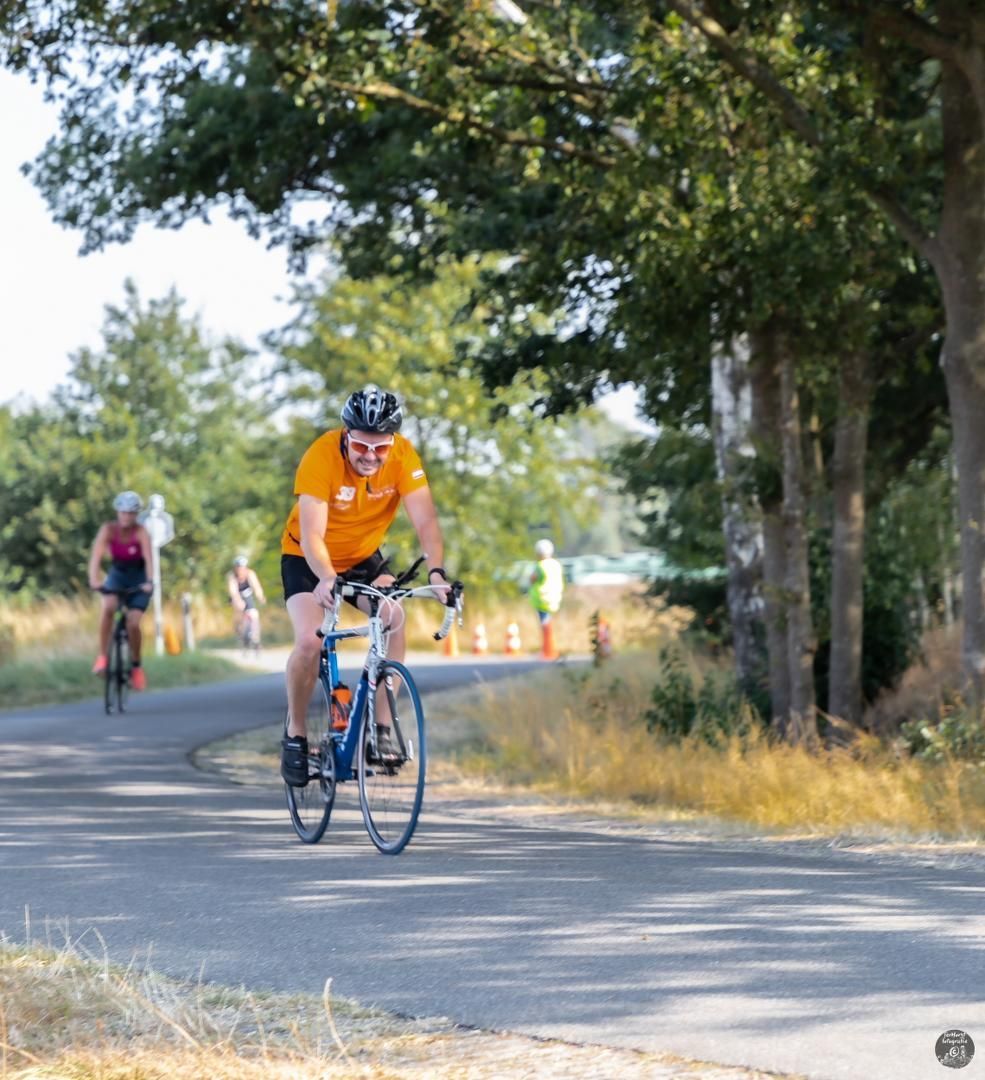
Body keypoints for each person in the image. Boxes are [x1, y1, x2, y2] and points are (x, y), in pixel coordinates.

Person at [279, 385, 454, 785]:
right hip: (307, 558)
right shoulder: (320, 456)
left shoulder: (404, 456)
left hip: (361, 557)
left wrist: (438, 573)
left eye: (381, 448)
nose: (371, 456)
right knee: (310, 641)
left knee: (393, 615)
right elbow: (311, 537)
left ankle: (382, 726)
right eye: (361, 446)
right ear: (346, 436)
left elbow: (426, 522)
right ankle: (297, 733)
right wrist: (325, 577)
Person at [88, 491, 154, 690]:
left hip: (139, 578)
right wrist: (94, 579)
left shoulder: (141, 532)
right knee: (108, 606)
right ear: (118, 512)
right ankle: (102, 657)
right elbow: (96, 556)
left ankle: (136, 666)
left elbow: (149, 560)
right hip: (118, 574)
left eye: (131, 513)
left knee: (133, 622)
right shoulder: (108, 530)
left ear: (136, 515)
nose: (126, 517)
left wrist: (150, 581)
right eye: (123, 512)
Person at [529, 537, 564, 659]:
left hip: (542, 598)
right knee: (548, 622)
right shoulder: (556, 565)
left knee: (545, 624)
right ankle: (549, 648)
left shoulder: (540, 566)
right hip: (554, 597)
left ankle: (548, 649)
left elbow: (533, 579)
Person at [227, 555, 266, 646]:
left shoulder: (250, 574)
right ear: (236, 568)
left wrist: (260, 597)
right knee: (238, 610)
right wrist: (238, 600)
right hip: (236, 596)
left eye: (242, 568)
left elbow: (256, 587)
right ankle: (239, 631)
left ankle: (255, 637)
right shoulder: (232, 576)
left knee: (254, 613)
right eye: (239, 568)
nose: (241, 570)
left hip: (248, 595)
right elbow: (233, 591)